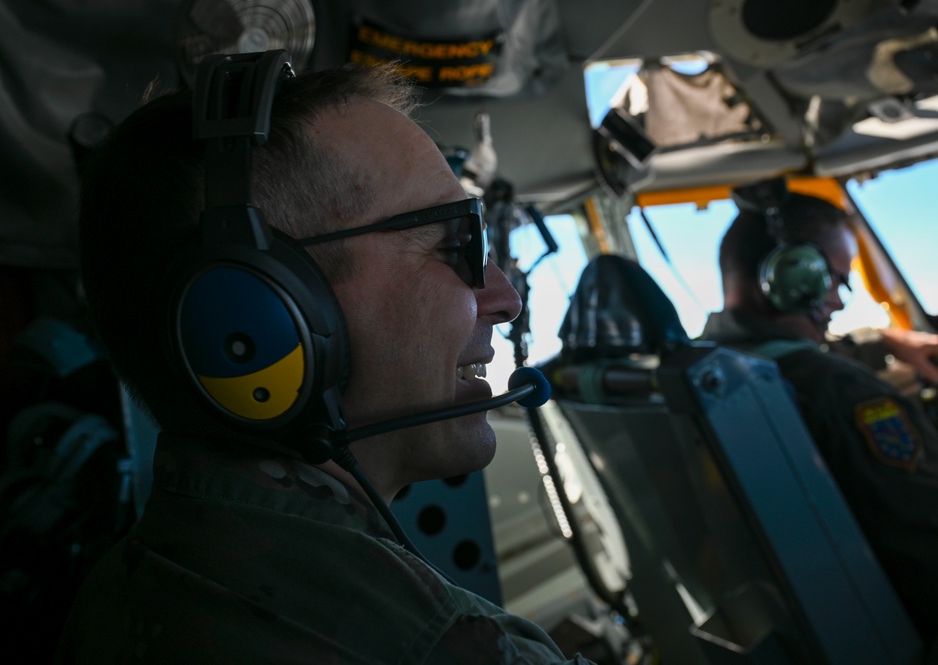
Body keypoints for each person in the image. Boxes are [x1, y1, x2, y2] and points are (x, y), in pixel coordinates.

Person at [54, 54, 598, 663]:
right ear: (261, 317)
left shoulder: (125, 587)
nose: (506, 299)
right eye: (454, 244)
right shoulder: (440, 648)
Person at [700, 188, 938, 648]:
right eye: (836, 281)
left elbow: (802, 356)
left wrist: (886, 343)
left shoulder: (710, 367)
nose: (841, 303)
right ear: (792, 277)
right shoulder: (842, 394)